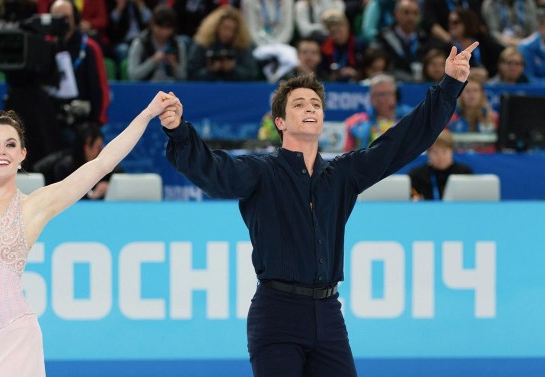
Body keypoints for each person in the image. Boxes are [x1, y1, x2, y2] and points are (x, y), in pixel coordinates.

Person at [159, 36, 478, 377]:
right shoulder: (261, 172)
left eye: (315, 104)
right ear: (280, 122)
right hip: (277, 315)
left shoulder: (342, 174)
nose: (310, 108)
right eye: (298, 104)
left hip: (328, 314)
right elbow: (214, 172)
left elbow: (402, 142)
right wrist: (178, 131)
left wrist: (449, 86)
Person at [0, 8, 177, 376]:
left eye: (10, 144)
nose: (0, 151)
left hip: (13, 343)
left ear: (22, 156)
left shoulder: (34, 207)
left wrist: (145, 115)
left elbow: (99, 165)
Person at [47, 0, 111, 148]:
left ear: (75, 18)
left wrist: (95, 126)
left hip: (81, 125)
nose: (62, 22)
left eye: (66, 17)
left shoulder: (89, 48)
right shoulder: (44, 46)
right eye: (56, 17)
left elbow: (101, 91)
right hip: (49, 123)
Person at [33, 122, 123, 200]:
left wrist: (110, 187)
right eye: (98, 147)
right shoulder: (64, 167)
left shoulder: (106, 165)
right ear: (87, 147)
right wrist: (91, 194)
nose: (101, 150)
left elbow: (122, 180)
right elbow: (63, 197)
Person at [186, 5, 258, 82]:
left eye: (232, 30)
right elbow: (191, 75)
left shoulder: (243, 46)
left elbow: (251, 75)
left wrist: (232, 69)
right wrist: (210, 70)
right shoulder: (202, 44)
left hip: (235, 91)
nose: (228, 33)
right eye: (225, 28)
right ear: (216, 27)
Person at [343, 73, 412, 151]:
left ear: (395, 95)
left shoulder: (409, 118)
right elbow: (347, 153)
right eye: (377, 94)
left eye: (385, 94)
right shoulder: (357, 122)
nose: (381, 99)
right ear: (371, 98)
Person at [126, 5, 187, 82]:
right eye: (160, 27)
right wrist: (152, 61)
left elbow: (183, 77)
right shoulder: (140, 43)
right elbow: (133, 75)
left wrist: (174, 65)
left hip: (171, 89)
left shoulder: (178, 44)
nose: (164, 32)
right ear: (152, 25)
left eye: (168, 28)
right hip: (145, 88)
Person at [408, 129, 473, 201]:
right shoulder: (416, 176)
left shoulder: (464, 173)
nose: (440, 156)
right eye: (435, 152)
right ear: (428, 154)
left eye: (444, 151)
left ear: (451, 151)